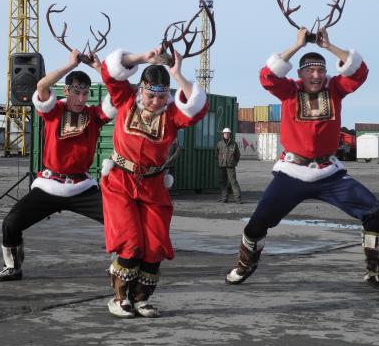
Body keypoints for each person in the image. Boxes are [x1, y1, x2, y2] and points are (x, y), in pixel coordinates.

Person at [226, 27, 379, 290]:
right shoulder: (288, 91)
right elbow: (267, 76)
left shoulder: (336, 90)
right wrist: (297, 45)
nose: (316, 76)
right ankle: (246, 263)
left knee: (375, 213)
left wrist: (329, 46)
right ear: (300, 74)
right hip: (292, 173)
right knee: (256, 224)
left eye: (320, 70)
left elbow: (360, 71)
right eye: (310, 70)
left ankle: (374, 270)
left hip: (329, 173)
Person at [100, 47, 208, 318]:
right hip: (120, 181)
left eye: (162, 96)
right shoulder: (124, 98)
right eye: (150, 96)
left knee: (156, 244)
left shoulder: (172, 114)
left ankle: (141, 298)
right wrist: (141, 58)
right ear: (140, 91)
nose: (156, 102)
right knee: (131, 241)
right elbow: (109, 70)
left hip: (154, 184)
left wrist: (177, 74)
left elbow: (196, 110)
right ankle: (120, 298)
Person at [0, 49, 116, 282]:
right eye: (76, 92)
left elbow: (119, 96)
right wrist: (69, 66)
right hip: (49, 185)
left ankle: (118, 267)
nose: (81, 99)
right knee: (11, 222)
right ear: (66, 91)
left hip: (81, 186)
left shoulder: (94, 115)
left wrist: (99, 68)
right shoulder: (53, 110)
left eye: (85, 93)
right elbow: (41, 86)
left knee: (118, 218)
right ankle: (13, 266)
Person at [216, 127, 241, 203]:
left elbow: (238, 155)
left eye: (228, 134)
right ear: (223, 134)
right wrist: (221, 161)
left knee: (233, 182)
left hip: (231, 166)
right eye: (225, 133)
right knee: (222, 182)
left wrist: (234, 162)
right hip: (222, 166)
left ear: (230, 134)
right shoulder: (219, 144)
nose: (226, 135)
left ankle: (238, 199)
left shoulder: (234, 144)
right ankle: (224, 198)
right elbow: (216, 154)